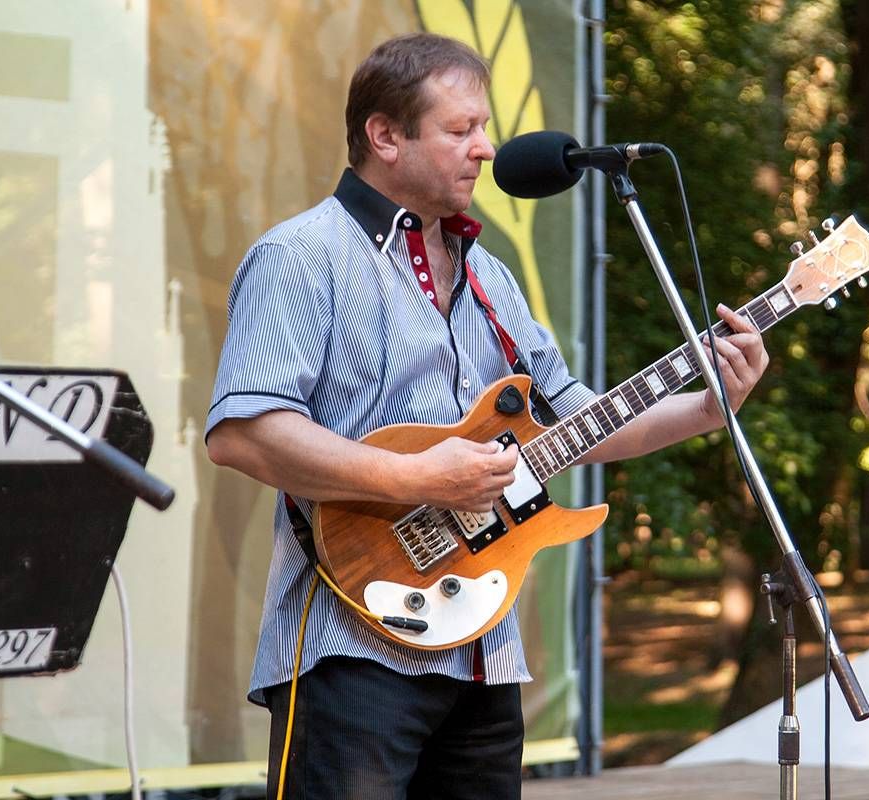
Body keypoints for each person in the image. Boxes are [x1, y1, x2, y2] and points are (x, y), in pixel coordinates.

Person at [205, 32, 769, 800]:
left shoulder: (492, 277)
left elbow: (579, 421)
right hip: (349, 646)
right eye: (460, 129)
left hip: (484, 653)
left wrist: (709, 405)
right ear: (386, 136)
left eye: (484, 127)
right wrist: (416, 477)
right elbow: (245, 434)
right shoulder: (301, 256)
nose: (485, 148)